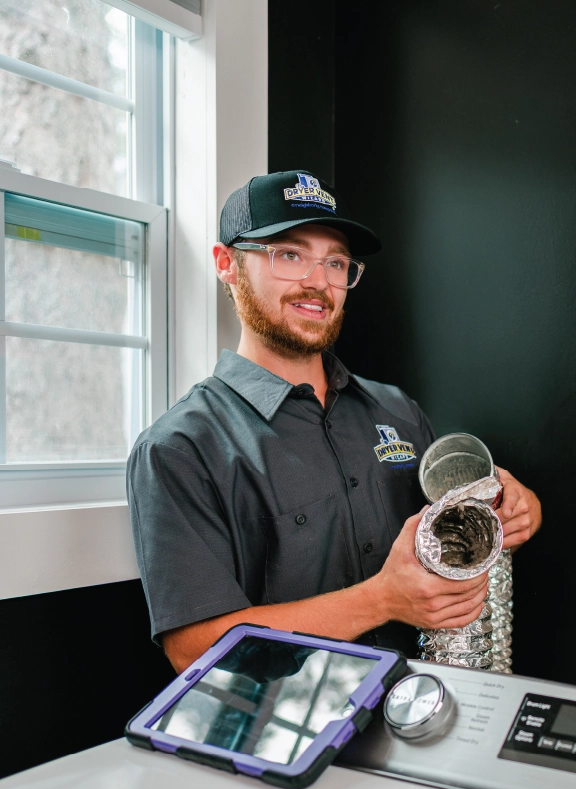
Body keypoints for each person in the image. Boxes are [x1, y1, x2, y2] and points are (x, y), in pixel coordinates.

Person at [127, 170, 542, 673]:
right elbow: (194, 650)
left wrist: (511, 506)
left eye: (336, 262)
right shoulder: (180, 449)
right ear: (227, 265)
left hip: (423, 713)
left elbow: (454, 532)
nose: (318, 281)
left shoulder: (397, 411)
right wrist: (381, 600)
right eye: (290, 255)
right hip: (289, 740)